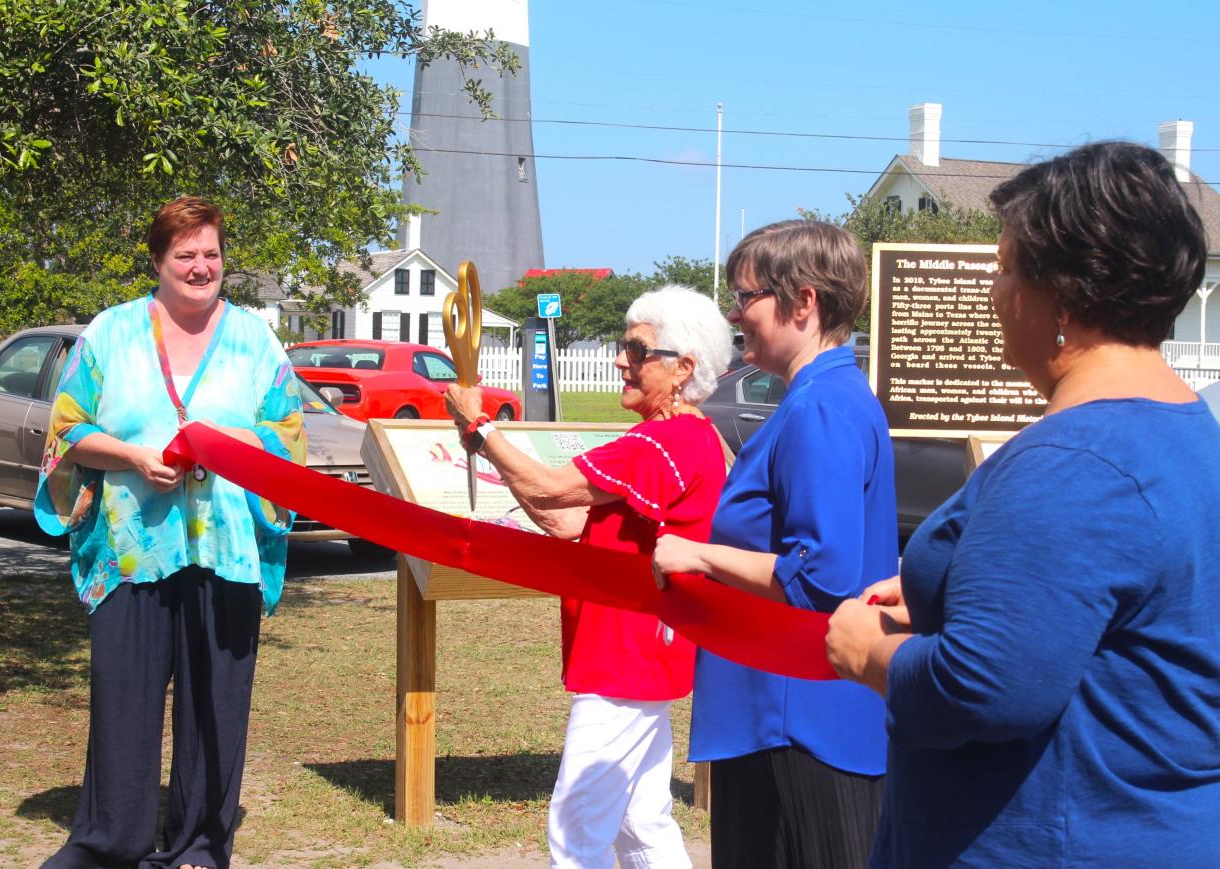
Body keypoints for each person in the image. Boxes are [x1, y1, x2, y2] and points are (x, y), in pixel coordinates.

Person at [826, 141, 1220, 867]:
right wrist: (960, 601)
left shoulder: (1071, 462)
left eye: (1004, 267)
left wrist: (866, 649)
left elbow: (982, 691)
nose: (993, 290)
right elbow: (1129, 617)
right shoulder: (1185, 430)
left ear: (1063, 297)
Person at [36, 196, 306, 869]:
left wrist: (237, 441)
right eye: (185, 254)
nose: (200, 265)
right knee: (123, 699)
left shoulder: (256, 341)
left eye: (211, 253)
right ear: (157, 261)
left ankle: (199, 844)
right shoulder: (111, 333)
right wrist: (132, 456)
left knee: (216, 703)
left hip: (228, 551)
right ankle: (107, 841)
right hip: (132, 550)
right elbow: (67, 429)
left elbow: (290, 441)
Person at [445, 285, 731, 869]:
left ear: (683, 369)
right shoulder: (682, 438)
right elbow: (566, 518)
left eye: (637, 348)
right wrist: (484, 440)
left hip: (627, 656)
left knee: (578, 829)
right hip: (639, 652)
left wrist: (480, 427)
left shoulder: (663, 440)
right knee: (639, 819)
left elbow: (552, 486)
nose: (621, 359)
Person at [651, 220, 897, 868]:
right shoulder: (825, 396)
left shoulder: (820, 406)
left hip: (796, 719)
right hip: (793, 713)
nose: (735, 314)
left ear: (803, 302)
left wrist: (697, 553)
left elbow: (822, 574)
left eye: (746, 296)